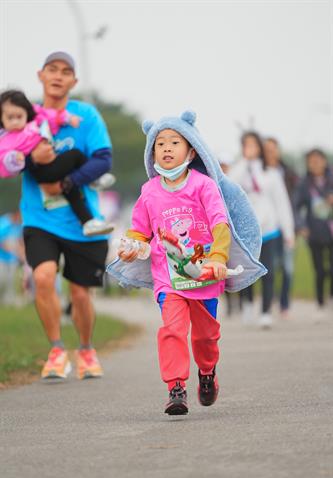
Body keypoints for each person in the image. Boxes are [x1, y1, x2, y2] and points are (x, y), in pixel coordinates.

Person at [110, 111, 266, 415]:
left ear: (191, 150)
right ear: (151, 152)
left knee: (206, 336)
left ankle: (207, 372)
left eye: (174, 142)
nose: (166, 148)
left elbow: (221, 224)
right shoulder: (149, 192)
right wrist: (132, 247)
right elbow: (139, 231)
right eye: (159, 143)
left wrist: (219, 258)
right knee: (172, 329)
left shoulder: (203, 185)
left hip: (205, 275)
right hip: (169, 279)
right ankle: (176, 387)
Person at [21, 51, 113, 380]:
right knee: (43, 277)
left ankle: (86, 349)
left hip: (82, 221)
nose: (58, 76)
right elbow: (9, 157)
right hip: (39, 218)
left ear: (74, 81)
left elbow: (103, 159)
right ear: (40, 75)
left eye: (65, 72)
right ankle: (57, 350)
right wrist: (31, 157)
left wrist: (67, 182)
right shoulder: (26, 117)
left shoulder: (86, 116)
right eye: (52, 70)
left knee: (79, 293)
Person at [0, 89, 114, 237]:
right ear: (2, 119)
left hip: (52, 165)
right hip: (43, 171)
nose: (15, 122)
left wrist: (66, 118)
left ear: (26, 113)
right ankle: (95, 179)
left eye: (19, 116)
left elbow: (50, 116)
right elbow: (3, 160)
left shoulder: (34, 121)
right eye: (10, 118)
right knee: (75, 155)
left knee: (70, 190)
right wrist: (14, 158)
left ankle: (88, 222)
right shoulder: (6, 139)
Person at [229, 131, 294, 328]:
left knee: (269, 271)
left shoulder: (271, 173)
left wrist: (288, 232)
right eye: (246, 145)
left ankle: (265, 311)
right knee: (246, 270)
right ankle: (248, 303)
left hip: (269, 229)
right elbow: (230, 187)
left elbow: (281, 202)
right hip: (246, 231)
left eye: (254, 145)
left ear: (260, 148)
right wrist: (244, 162)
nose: (251, 149)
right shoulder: (238, 170)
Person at [294, 149, 333, 318]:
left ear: (325, 161)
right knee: (319, 270)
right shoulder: (304, 183)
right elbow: (296, 206)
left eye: (318, 160)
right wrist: (301, 226)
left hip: (331, 230)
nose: (315, 163)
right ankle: (319, 302)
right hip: (314, 232)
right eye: (311, 161)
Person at [264, 137, 298, 317]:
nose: (270, 153)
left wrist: (292, 228)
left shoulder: (288, 173)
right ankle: (270, 301)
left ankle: (284, 302)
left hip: (286, 224)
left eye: (272, 149)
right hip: (269, 229)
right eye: (266, 149)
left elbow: (292, 201)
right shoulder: (259, 172)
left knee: (288, 268)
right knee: (271, 267)